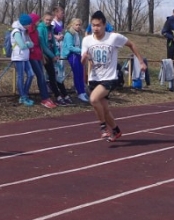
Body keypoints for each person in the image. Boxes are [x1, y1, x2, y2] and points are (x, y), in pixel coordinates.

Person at [81, 10, 147, 142]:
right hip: (94, 78)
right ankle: (116, 130)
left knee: (94, 100)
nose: (96, 28)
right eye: (93, 25)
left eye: (98, 25)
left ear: (104, 25)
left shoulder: (114, 37)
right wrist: (84, 58)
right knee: (104, 110)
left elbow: (131, 44)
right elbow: (82, 60)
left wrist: (140, 61)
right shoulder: (87, 40)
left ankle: (103, 127)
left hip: (109, 78)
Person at [39, 11, 71, 105]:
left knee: (57, 76)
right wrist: (52, 56)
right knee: (51, 76)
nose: (48, 22)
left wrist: (56, 53)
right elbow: (43, 45)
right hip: (45, 55)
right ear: (43, 19)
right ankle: (57, 95)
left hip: (52, 54)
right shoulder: (40, 29)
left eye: (50, 20)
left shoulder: (50, 28)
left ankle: (64, 94)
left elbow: (53, 41)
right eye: (46, 20)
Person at [27, 13, 57, 108]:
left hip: (38, 55)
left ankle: (45, 97)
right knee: (39, 76)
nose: (38, 22)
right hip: (32, 56)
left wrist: (42, 56)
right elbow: (33, 44)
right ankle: (43, 98)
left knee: (42, 77)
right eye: (37, 21)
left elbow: (40, 44)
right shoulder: (29, 31)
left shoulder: (36, 31)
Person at [11, 13, 35, 106]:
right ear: (25, 23)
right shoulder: (17, 32)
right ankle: (23, 96)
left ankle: (25, 94)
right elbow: (22, 45)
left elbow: (31, 43)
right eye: (29, 24)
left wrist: (29, 44)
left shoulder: (24, 31)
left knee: (31, 75)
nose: (30, 26)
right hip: (18, 57)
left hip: (25, 57)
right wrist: (28, 44)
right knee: (21, 77)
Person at [62, 18, 89, 102]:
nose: (78, 26)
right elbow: (70, 47)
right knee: (77, 74)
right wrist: (81, 51)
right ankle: (80, 93)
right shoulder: (69, 34)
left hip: (79, 55)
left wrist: (83, 50)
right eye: (76, 25)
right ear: (72, 25)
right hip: (72, 55)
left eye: (79, 25)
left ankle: (83, 91)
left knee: (81, 74)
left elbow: (81, 45)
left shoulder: (79, 34)